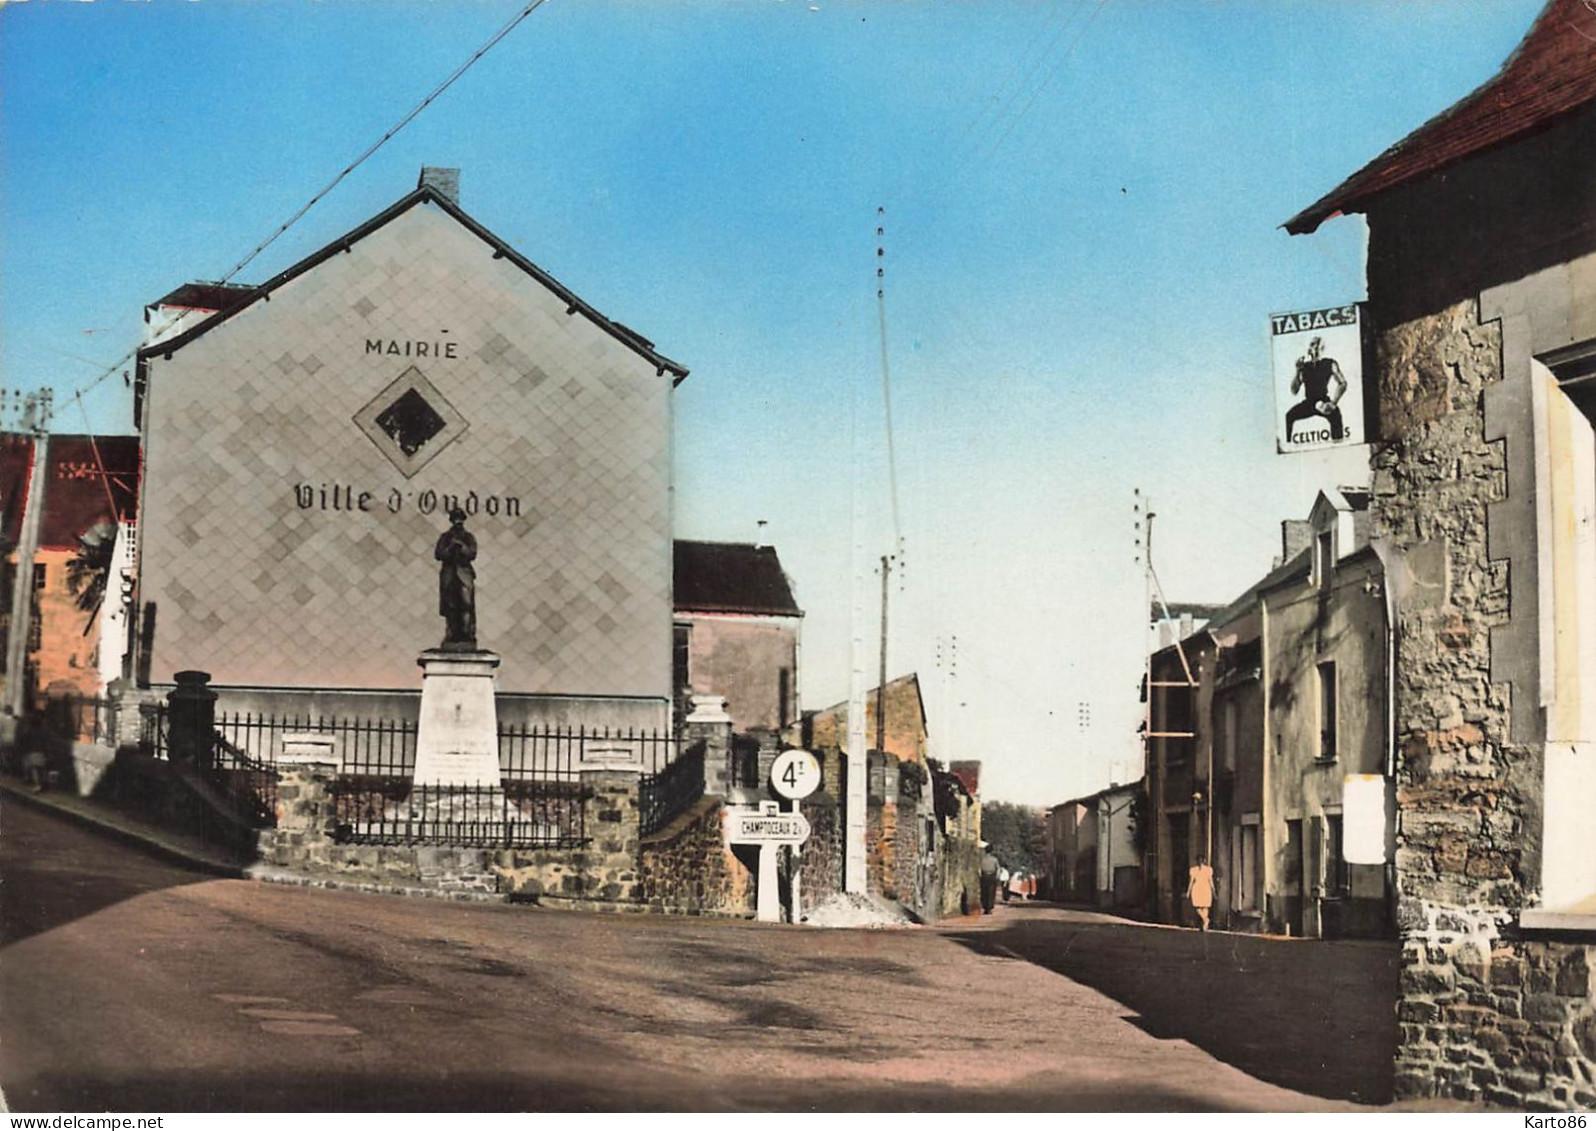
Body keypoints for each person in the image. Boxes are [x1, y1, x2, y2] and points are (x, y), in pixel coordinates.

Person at [1284, 336, 1348, 442]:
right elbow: (1294, 390)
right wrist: (1297, 371)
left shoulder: (1329, 363)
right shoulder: (1304, 366)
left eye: (1317, 345)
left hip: (1324, 400)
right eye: (1312, 344)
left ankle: (1339, 445)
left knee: (1336, 416)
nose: (1314, 347)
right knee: (1289, 416)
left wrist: (1333, 403)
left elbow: (1343, 383)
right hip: (1309, 402)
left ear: (1322, 348)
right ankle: (1287, 444)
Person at [435, 508, 477, 648]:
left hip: (464, 573)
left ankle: (466, 634)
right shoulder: (445, 537)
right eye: (455, 519)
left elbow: (472, 553)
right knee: (450, 605)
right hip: (449, 573)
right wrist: (450, 547)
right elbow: (438, 554)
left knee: (466, 604)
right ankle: (451, 634)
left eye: (459, 519)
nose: (457, 522)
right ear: (452, 521)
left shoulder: (468, 537)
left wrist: (462, 546)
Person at [1187, 854, 1215, 931]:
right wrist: (1188, 891)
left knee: (1205, 906)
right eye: (1199, 860)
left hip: (1205, 888)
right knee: (1197, 906)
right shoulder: (1193, 870)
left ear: (1204, 861)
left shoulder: (1209, 870)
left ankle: (1205, 924)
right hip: (1197, 889)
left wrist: (1213, 891)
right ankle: (1205, 920)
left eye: (1201, 860)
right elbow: (1191, 881)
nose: (1200, 862)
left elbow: (1211, 881)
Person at [979, 846, 1000, 914]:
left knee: (984, 892)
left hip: (984, 876)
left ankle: (985, 907)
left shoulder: (982, 859)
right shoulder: (994, 859)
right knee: (991, 892)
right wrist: (997, 876)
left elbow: (979, 869)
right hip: (992, 876)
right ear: (991, 851)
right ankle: (989, 907)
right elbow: (998, 868)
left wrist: (980, 876)